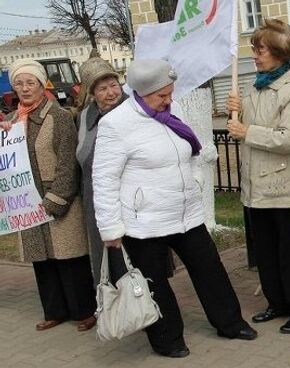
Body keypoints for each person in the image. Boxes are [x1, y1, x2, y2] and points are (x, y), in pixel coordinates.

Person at [92, 59, 257, 358]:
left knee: (210, 269)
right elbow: (103, 181)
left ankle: (230, 323)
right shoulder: (115, 125)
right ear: (142, 93)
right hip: (145, 220)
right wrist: (111, 229)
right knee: (154, 280)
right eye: (161, 96)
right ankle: (167, 339)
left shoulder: (172, 110)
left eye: (170, 93)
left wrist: (194, 179)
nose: (169, 100)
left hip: (186, 213)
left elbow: (189, 150)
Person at [226, 18, 290, 334]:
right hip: (255, 188)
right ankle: (277, 303)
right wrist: (236, 110)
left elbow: (288, 139)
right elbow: (249, 126)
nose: (254, 55)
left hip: (282, 187)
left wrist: (246, 129)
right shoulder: (257, 85)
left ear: (278, 53)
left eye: (260, 49)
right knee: (265, 253)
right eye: (254, 49)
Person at [1, 59, 96, 332]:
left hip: (57, 197)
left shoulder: (59, 116)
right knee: (41, 259)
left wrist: (57, 198)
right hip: (26, 201)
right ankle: (54, 310)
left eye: (31, 82)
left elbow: (68, 161)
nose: (25, 88)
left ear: (43, 85)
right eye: (19, 83)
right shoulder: (9, 122)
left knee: (70, 257)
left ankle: (84, 310)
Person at [76, 57, 129, 286]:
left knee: (131, 256)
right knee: (103, 256)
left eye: (113, 85)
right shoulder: (85, 115)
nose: (110, 92)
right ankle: (111, 305)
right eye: (102, 88)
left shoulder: (133, 109)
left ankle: (141, 308)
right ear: (91, 93)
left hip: (126, 192)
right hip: (94, 195)